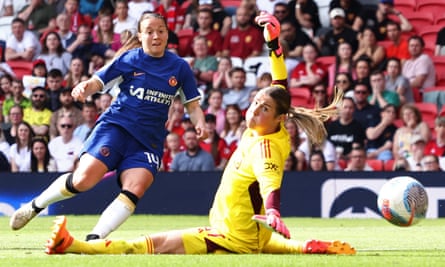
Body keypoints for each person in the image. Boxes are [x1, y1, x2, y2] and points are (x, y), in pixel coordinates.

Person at [44, 12, 354, 255]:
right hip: (248, 234)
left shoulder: (267, 147)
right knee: (261, 244)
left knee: (152, 244)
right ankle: (307, 247)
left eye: (262, 108)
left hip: (229, 238)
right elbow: (280, 83)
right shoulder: (271, 123)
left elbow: (270, 182)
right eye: (255, 102)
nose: (253, 109)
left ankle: (77, 245)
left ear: (277, 118)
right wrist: (273, 43)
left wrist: (273, 210)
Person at [10, 13, 208, 243]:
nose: (156, 36)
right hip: (116, 127)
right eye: (150, 31)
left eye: (161, 31)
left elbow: (192, 106)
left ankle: (95, 240)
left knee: (136, 186)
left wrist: (200, 122)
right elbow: (98, 81)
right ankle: (35, 206)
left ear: (167, 33)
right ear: (141, 35)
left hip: (148, 141)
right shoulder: (129, 59)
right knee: (83, 180)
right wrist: (86, 86)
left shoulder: (180, 67)